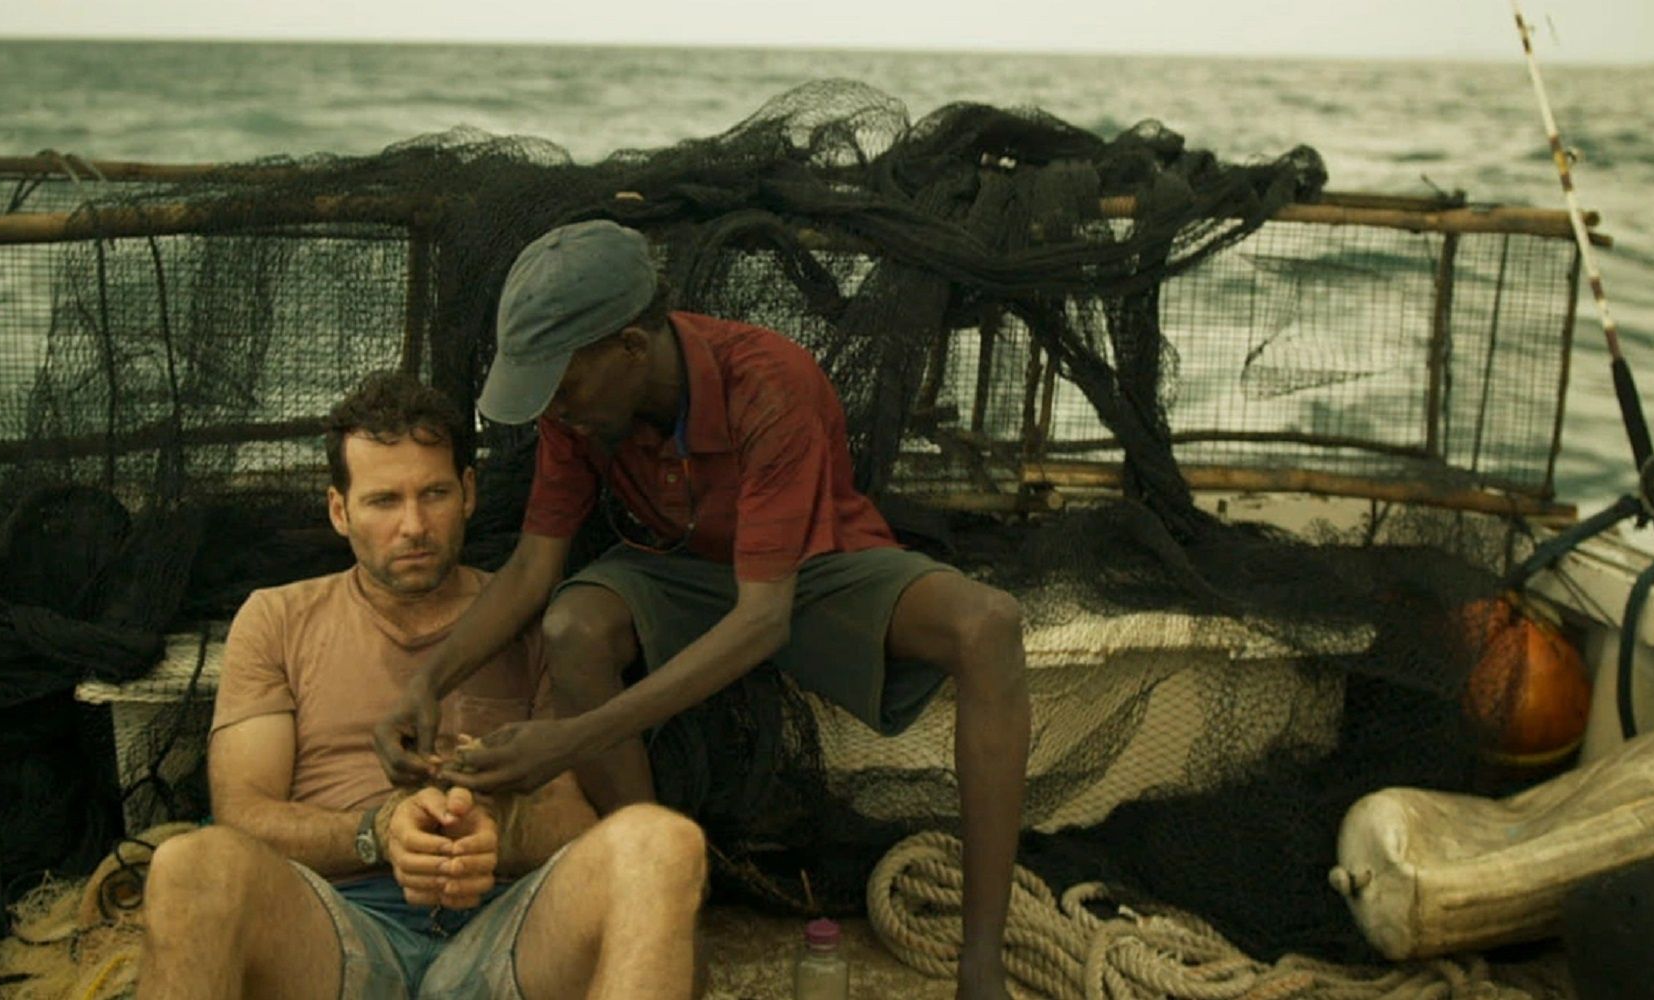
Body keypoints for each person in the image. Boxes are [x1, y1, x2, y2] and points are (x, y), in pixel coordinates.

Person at [375, 221, 1030, 999]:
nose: (553, 406)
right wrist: (429, 678)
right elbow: (532, 568)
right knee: (572, 626)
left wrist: (571, 740)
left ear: (628, 347)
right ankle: (667, 927)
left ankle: (981, 963)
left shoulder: (769, 381)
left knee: (988, 626)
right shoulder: (577, 411)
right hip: (676, 569)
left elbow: (764, 619)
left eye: (562, 381)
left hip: (803, 570)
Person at [138, 371, 707, 1000]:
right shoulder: (277, 618)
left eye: (433, 493)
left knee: (661, 841)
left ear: (467, 492)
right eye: (384, 501)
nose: (413, 525)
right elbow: (244, 816)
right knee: (189, 866)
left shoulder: (533, 619)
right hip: (339, 929)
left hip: (508, 927)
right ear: (339, 510)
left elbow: (573, 819)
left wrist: (498, 831)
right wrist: (377, 833)